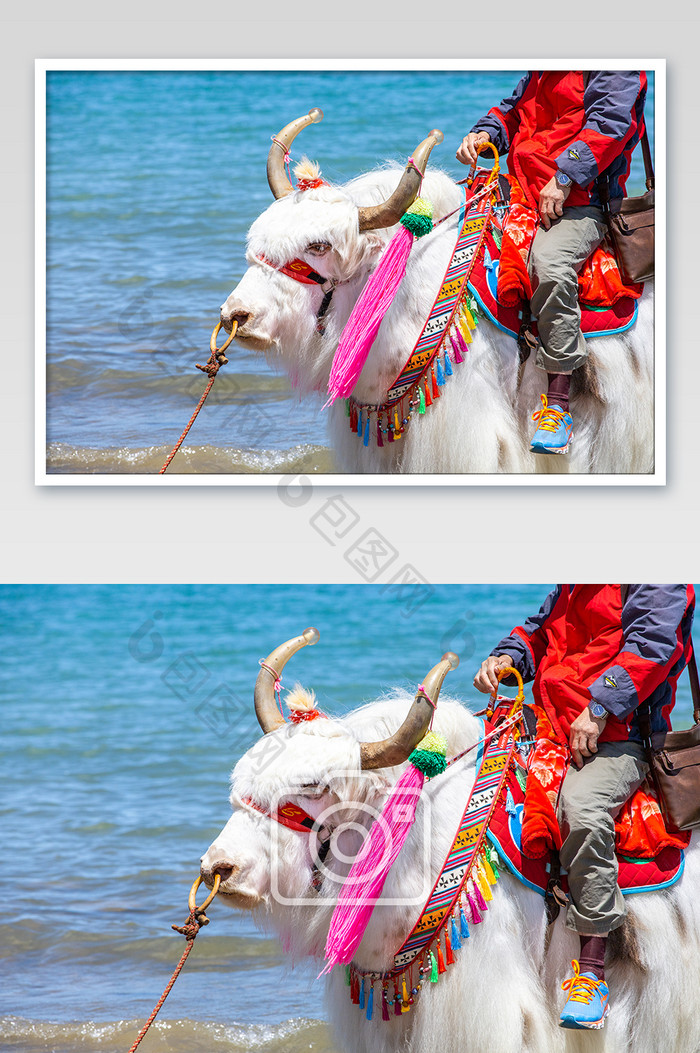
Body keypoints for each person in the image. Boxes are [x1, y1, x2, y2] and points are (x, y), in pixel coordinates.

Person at [474, 584, 695, 1030]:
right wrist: (508, 658)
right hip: (555, 720)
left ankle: (591, 974)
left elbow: (653, 645)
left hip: (619, 734)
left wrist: (599, 708)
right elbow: (540, 631)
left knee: (582, 810)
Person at [457, 71, 648, 454]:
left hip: (581, 199)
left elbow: (610, 123)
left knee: (549, 265)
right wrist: (486, 134)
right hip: (525, 188)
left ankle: (558, 409)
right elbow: (514, 111)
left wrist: (564, 177)